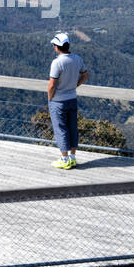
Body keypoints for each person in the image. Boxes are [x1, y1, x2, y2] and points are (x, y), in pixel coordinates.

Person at [46, 32, 88, 169]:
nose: (54, 47)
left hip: (58, 101)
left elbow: (52, 84)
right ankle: (73, 157)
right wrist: (74, 85)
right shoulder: (77, 59)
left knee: (61, 129)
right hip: (72, 99)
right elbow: (85, 76)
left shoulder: (57, 62)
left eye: (54, 45)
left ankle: (64, 159)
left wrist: (50, 98)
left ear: (57, 47)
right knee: (72, 127)